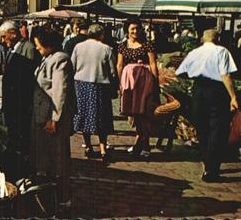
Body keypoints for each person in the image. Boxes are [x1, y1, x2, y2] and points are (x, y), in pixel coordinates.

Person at [176, 29, 239, 181]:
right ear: (217, 38)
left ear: (203, 39)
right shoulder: (221, 51)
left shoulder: (194, 52)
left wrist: (197, 73)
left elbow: (180, 71)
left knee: (202, 129)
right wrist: (233, 97)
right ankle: (212, 169)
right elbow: (225, 74)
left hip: (199, 90)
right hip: (217, 91)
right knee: (217, 129)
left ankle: (207, 164)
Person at [30, 27, 75, 213]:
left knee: (58, 161)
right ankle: (49, 197)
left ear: (49, 44)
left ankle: (63, 199)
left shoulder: (60, 59)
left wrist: (54, 119)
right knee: (46, 159)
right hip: (42, 115)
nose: (38, 49)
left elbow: (59, 92)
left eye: (39, 46)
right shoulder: (48, 58)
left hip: (52, 118)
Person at [71, 24, 117, 162]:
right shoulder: (106, 49)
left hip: (81, 85)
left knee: (84, 116)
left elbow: (72, 66)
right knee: (101, 117)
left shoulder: (78, 47)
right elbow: (113, 71)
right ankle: (103, 148)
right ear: (101, 35)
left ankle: (88, 146)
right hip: (100, 85)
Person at [0, 21, 37, 178]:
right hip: (12, 102)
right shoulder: (12, 48)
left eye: (3, 36)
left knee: (21, 135)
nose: (1, 40)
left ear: (13, 34)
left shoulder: (27, 49)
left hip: (20, 103)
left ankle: (23, 167)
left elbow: (28, 78)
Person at [117, 19, 158, 158]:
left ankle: (145, 145)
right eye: (132, 29)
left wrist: (155, 82)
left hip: (144, 82)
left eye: (138, 29)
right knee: (134, 115)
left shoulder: (147, 45)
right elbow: (119, 65)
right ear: (127, 30)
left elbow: (153, 64)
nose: (135, 31)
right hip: (129, 83)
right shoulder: (122, 46)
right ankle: (138, 142)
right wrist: (119, 84)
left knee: (144, 114)